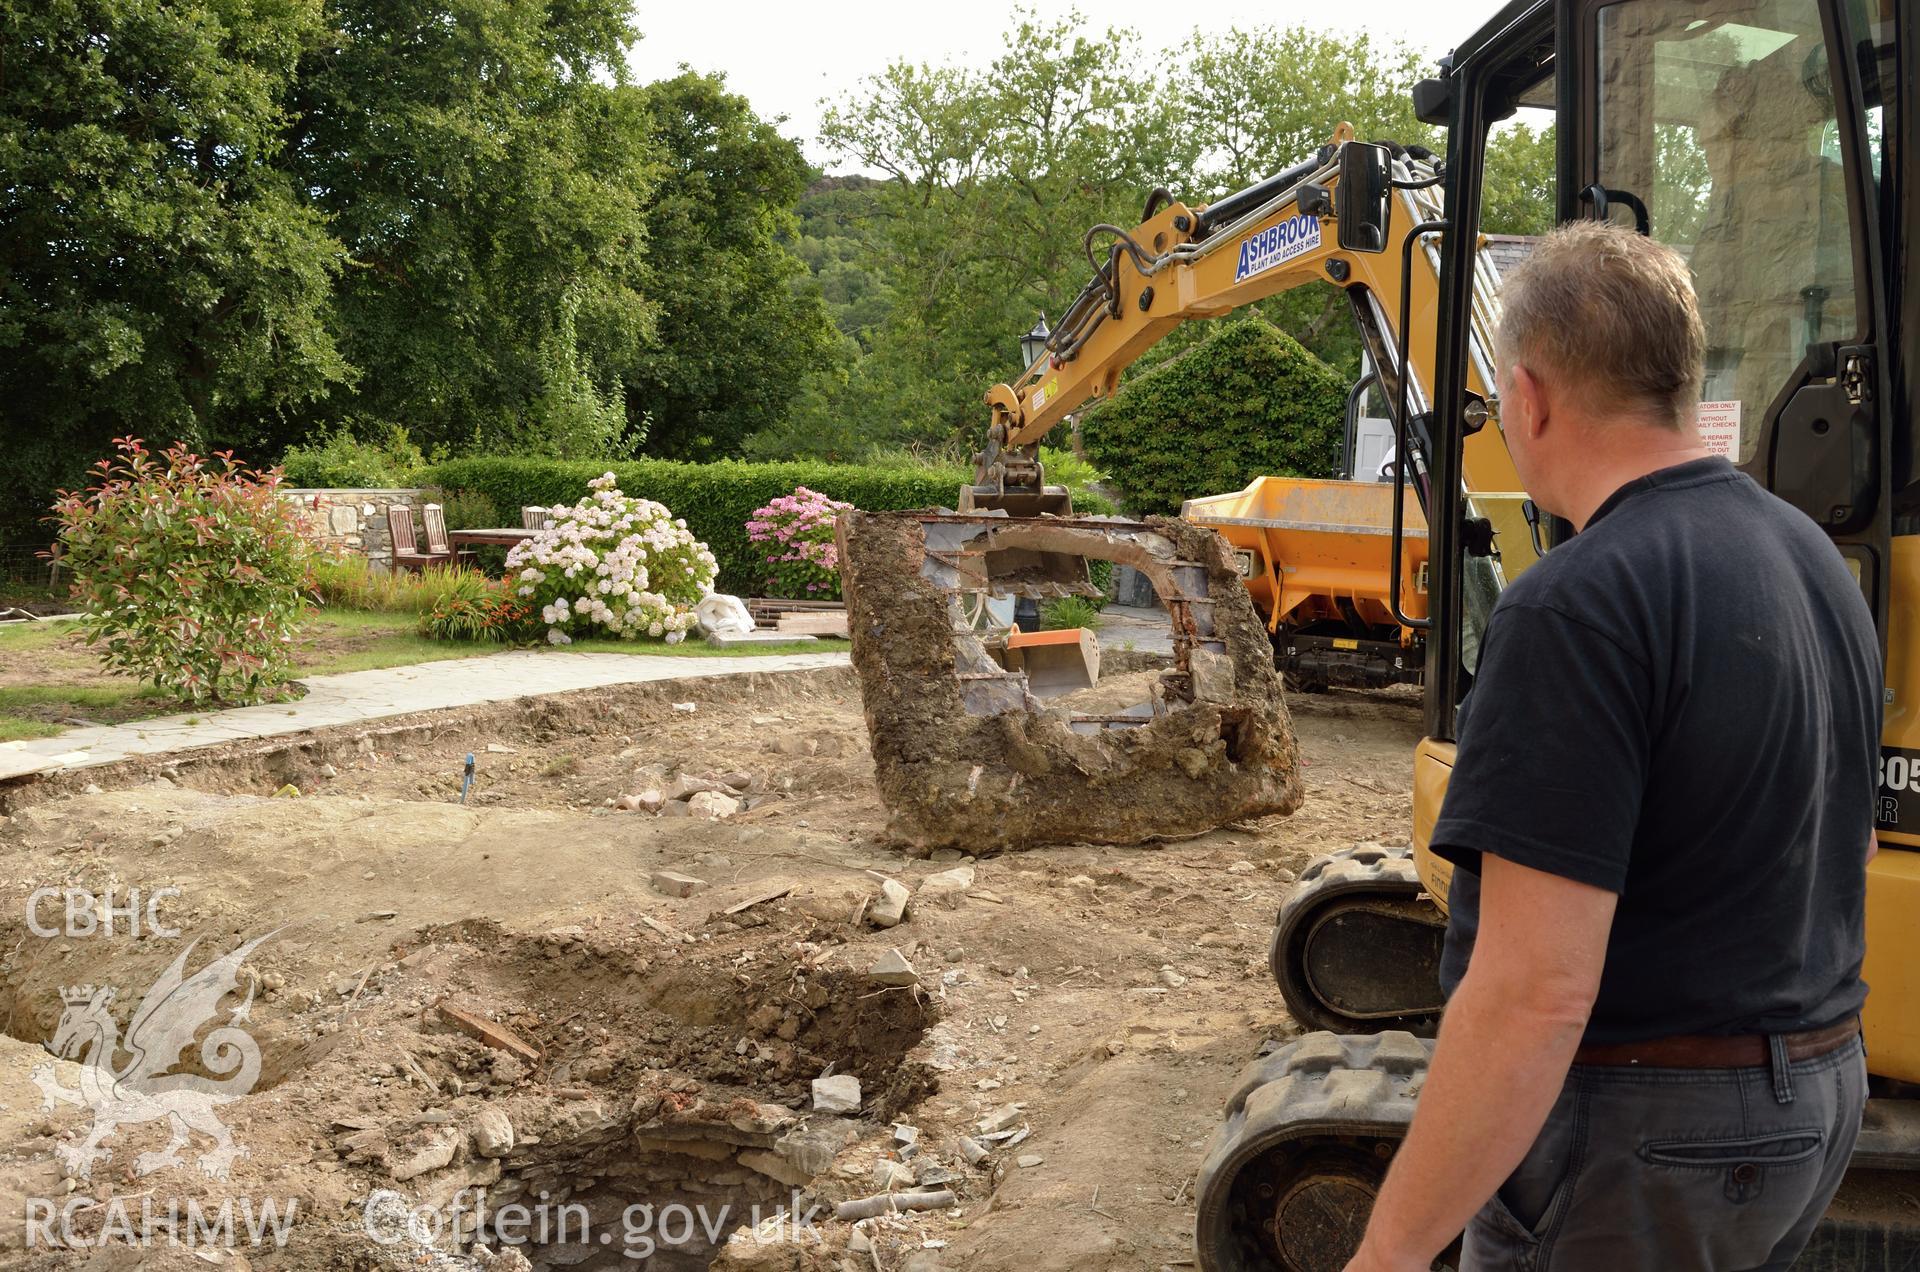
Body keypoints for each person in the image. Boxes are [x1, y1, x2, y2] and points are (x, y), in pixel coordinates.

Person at [1344, 220, 1878, 1271]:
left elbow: (1537, 990)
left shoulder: (1576, 603)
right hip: (1817, 1093)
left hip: (1645, 1134)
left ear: (1531, 397)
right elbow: (1841, 847)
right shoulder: (1814, 560)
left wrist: (1394, 1250)